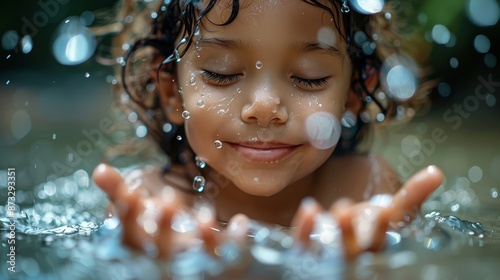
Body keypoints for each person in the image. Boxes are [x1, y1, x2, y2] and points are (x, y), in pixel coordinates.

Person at [92, 0, 443, 261]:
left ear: (352, 93)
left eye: (310, 77)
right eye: (222, 72)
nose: (264, 108)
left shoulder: (366, 188)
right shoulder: (146, 206)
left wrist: (370, 261)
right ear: (172, 92)